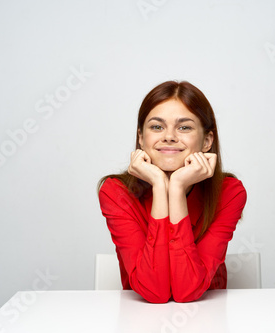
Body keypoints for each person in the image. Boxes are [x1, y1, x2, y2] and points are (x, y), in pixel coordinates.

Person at [97, 80, 247, 303]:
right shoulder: (115, 192)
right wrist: (159, 185)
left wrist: (175, 188)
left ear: (207, 141)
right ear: (141, 138)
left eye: (184, 127)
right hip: (140, 320)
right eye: (157, 126)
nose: (169, 136)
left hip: (208, 319)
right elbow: (154, 292)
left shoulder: (229, 193)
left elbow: (187, 291)